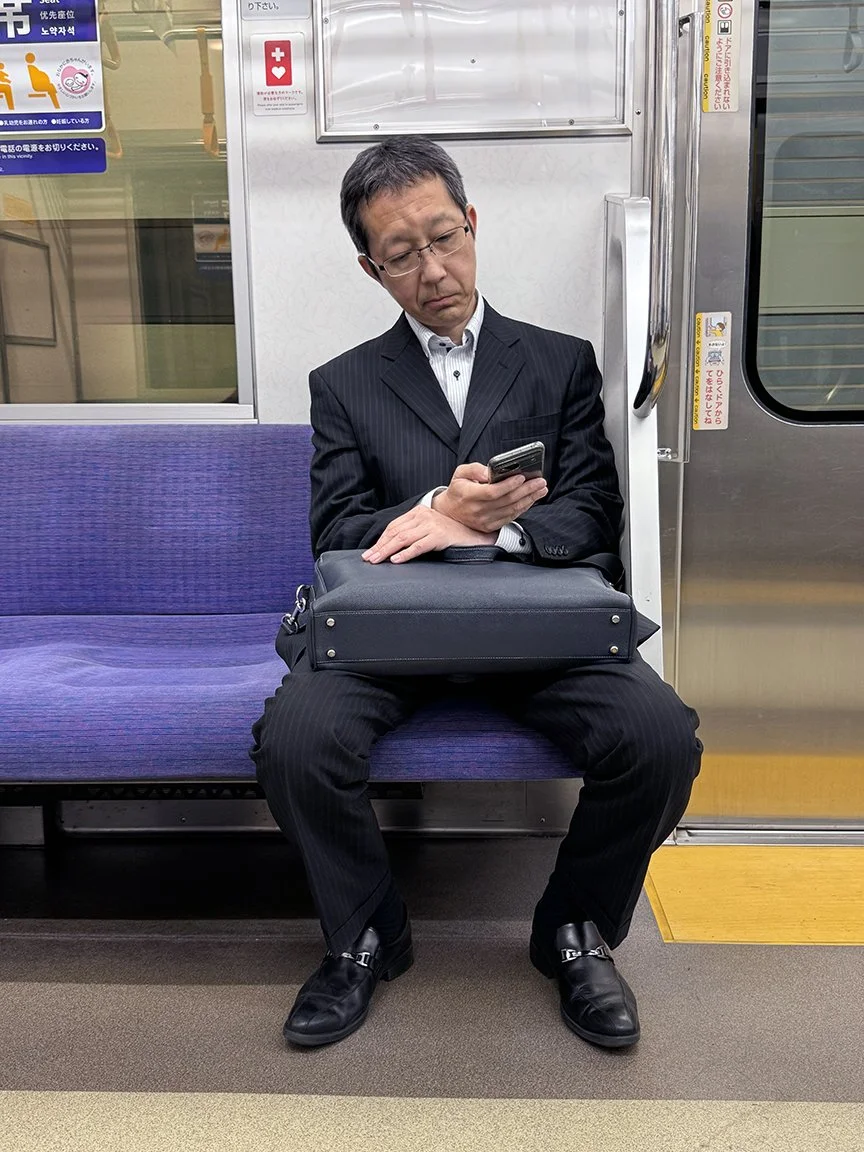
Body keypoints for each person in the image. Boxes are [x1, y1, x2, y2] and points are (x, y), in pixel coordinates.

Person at [251, 135, 702, 1051]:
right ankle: (365, 936)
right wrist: (436, 508)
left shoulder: (558, 362)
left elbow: (593, 511)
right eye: (401, 254)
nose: (433, 270)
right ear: (371, 268)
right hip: (393, 634)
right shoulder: (344, 384)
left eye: (444, 238)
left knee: (660, 739)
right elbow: (335, 532)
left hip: (539, 628)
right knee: (295, 742)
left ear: (472, 223)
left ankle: (575, 932)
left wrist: (490, 529)